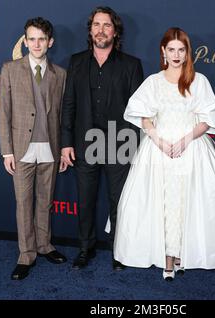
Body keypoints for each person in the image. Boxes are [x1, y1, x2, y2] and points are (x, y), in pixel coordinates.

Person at [114, 27, 215, 281]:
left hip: (191, 148)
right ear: (163, 51)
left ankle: (183, 255)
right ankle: (166, 259)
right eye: (172, 49)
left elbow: (208, 119)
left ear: (187, 52)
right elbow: (143, 116)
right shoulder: (153, 82)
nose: (176, 55)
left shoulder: (198, 81)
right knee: (164, 202)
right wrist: (158, 140)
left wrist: (186, 139)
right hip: (158, 149)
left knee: (187, 201)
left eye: (181, 50)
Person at [61, 6, 143, 270]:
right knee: (85, 200)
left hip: (120, 144)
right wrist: (66, 143)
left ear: (115, 30)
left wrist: (134, 146)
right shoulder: (76, 62)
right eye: (96, 25)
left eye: (107, 25)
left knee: (119, 201)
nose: (101, 30)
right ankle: (86, 248)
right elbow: (69, 105)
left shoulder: (131, 65)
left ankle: (119, 251)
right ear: (90, 30)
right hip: (85, 143)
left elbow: (137, 111)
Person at [0, 17, 67, 280]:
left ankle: (44, 245)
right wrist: (7, 151)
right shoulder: (10, 69)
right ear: (25, 42)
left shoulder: (60, 74)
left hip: (50, 148)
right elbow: (4, 114)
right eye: (32, 39)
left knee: (45, 202)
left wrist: (62, 150)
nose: (36, 44)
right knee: (24, 202)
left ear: (50, 42)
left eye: (41, 39)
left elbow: (61, 116)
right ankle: (26, 255)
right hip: (21, 149)